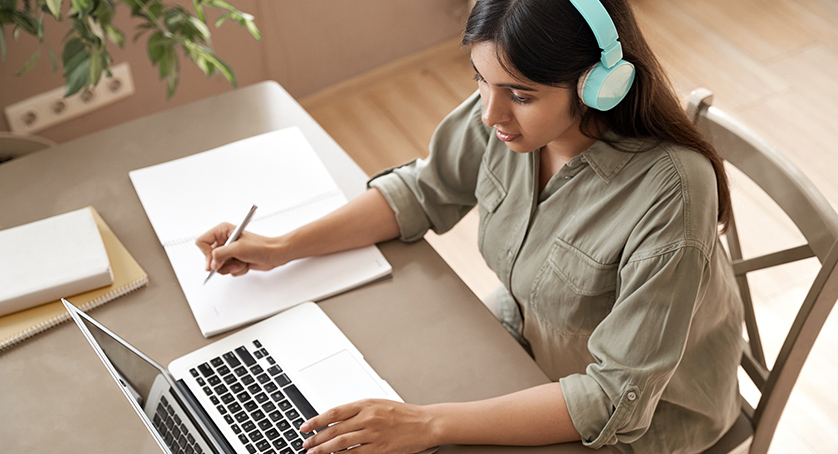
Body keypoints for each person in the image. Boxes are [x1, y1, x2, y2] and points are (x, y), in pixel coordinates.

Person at [196, 0, 744, 452]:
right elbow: (423, 190)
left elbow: (613, 400)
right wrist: (282, 246)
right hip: (527, 342)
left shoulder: (671, 193)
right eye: (481, 80)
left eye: (521, 96)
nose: (490, 114)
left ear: (600, 85)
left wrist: (430, 423)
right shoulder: (510, 112)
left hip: (638, 424)